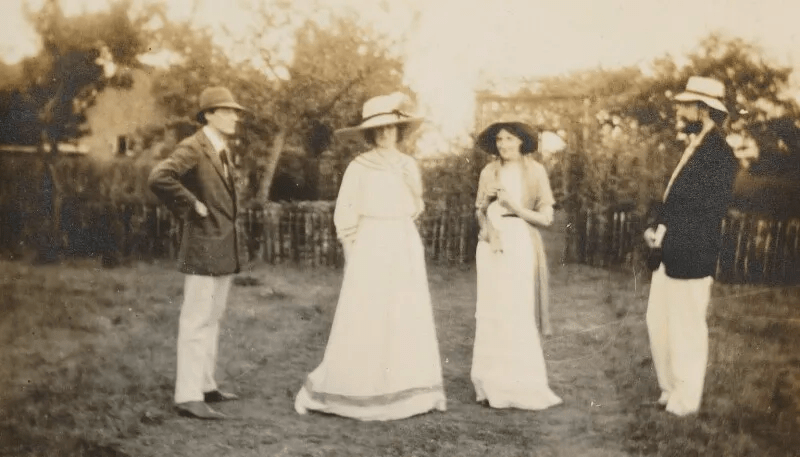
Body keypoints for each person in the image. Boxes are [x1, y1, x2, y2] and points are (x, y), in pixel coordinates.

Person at [294, 92, 447, 421]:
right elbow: (345, 212)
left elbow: (416, 208)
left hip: (402, 239)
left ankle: (409, 389)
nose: (385, 134)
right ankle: (358, 387)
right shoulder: (359, 167)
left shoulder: (409, 165)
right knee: (368, 312)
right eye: (378, 130)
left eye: (391, 128)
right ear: (370, 134)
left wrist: (412, 189)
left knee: (404, 310)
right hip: (371, 242)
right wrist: (352, 248)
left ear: (399, 130)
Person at [148, 86, 247, 420]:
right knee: (195, 321)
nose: (235, 116)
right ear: (208, 115)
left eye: (235, 111)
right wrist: (192, 205)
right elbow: (160, 177)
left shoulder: (221, 148)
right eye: (227, 110)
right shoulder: (193, 146)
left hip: (222, 247)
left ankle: (205, 385)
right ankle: (188, 396)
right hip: (203, 245)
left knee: (213, 319)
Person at [644, 76, 739, 416]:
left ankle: (686, 400)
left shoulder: (720, 155)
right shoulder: (691, 146)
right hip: (669, 249)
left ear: (704, 109)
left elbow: (707, 209)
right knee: (659, 321)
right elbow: (671, 197)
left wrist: (670, 232)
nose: (680, 109)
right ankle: (669, 390)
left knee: (686, 325)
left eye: (687, 104)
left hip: (692, 252)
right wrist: (657, 227)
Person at [471, 120, 562, 410]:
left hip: (520, 241)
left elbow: (546, 216)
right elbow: (479, 211)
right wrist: (488, 229)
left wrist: (516, 208)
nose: (504, 145)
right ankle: (488, 384)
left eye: (509, 139)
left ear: (521, 141)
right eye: (499, 140)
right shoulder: (489, 171)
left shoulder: (535, 171)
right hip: (491, 245)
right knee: (491, 310)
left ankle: (520, 386)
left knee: (516, 309)